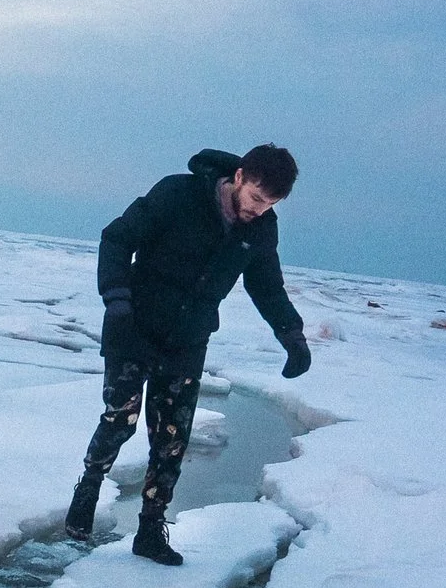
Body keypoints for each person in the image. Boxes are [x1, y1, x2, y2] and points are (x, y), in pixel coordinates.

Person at [64, 144, 311, 565]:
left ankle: (150, 528)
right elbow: (117, 237)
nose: (259, 210)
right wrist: (117, 299)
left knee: (172, 438)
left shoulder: (261, 229)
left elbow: (266, 285)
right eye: (255, 199)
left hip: (188, 339)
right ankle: (89, 487)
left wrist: (292, 335)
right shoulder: (178, 194)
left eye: (270, 205)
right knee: (120, 418)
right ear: (238, 178)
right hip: (134, 325)